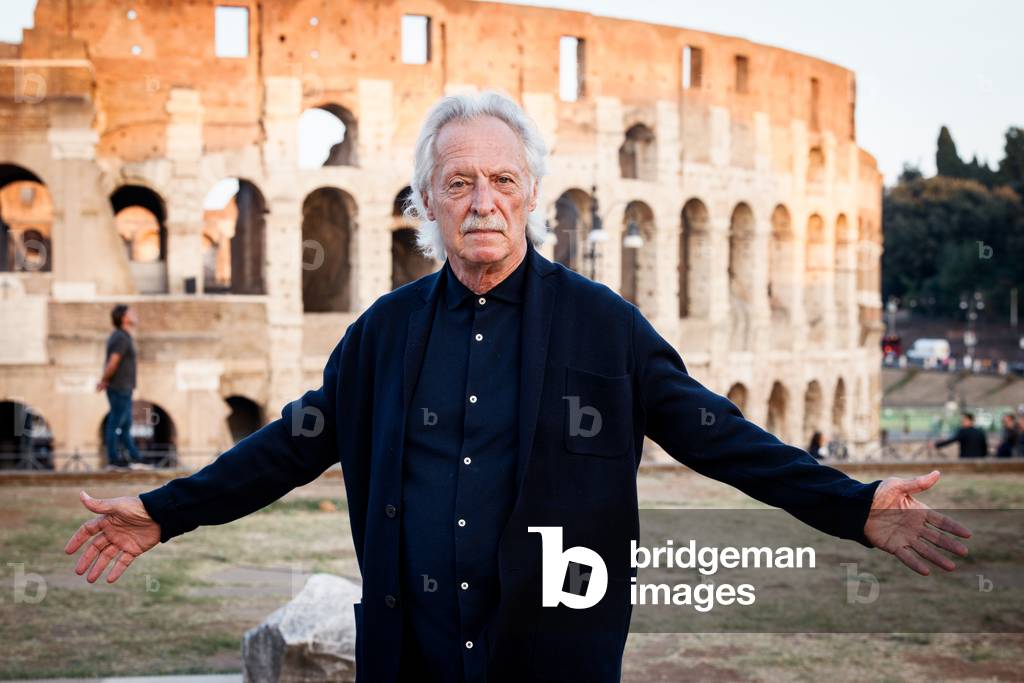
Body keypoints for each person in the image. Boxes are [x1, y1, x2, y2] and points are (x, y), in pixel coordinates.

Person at [64, 91, 971, 683]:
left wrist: (853, 506)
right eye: (458, 182)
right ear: (427, 201)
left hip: (550, 659)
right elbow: (290, 445)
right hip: (411, 659)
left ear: (532, 193)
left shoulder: (602, 326)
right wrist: (165, 509)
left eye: (502, 179)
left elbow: (719, 434)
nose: (482, 200)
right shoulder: (383, 333)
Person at [95, 304, 151, 471]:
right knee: (115, 423)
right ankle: (113, 460)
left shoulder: (123, 336)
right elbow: (113, 362)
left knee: (125, 425)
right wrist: (104, 379)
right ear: (124, 318)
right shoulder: (120, 337)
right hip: (119, 387)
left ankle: (135, 458)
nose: (135, 314)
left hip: (123, 387)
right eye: (131, 313)